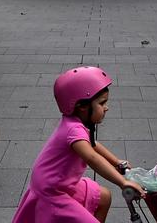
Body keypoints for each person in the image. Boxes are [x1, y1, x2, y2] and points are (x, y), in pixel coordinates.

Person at [12, 66, 144, 222]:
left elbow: (93, 145)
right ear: (82, 106)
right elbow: (92, 158)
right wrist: (123, 182)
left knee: (104, 197)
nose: (106, 108)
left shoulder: (76, 123)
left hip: (61, 184)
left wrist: (116, 162)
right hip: (51, 191)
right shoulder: (73, 130)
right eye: (102, 103)